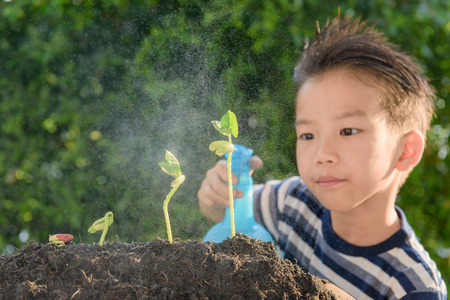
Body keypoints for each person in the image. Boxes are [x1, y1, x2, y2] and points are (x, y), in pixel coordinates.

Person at [198, 16, 447, 299]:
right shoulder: (290, 203)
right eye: (307, 135)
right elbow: (229, 217)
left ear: (406, 150)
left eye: (348, 130)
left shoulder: (414, 285)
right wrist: (219, 194)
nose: (322, 154)